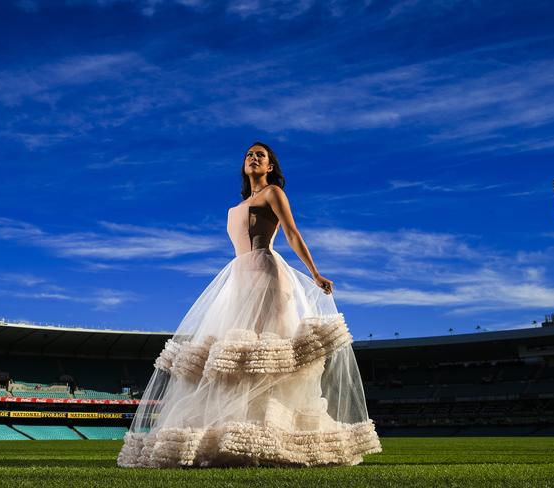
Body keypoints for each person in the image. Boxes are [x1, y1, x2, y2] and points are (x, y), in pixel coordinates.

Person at [117, 142, 381, 468]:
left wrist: (314, 273)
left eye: (261, 155)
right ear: (244, 165)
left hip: (268, 276)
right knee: (234, 360)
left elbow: (293, 233)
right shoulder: (233, 209)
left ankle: (274, 436)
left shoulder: (273, 194)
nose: (253, 158)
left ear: (270, 166)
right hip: (238, 280)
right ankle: (238, 436)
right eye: (249, 155)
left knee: (268, 357)